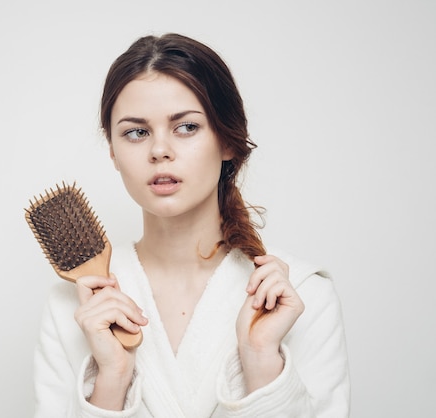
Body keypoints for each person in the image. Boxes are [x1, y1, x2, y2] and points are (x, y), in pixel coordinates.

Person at [33, 33, 350, 417]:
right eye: (136, 132)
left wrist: (261, 360)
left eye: (186, 127)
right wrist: (112, 380)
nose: (159, 150)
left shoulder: (300, 297)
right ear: (113, 151)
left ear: (228, 140)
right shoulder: (73, 306)